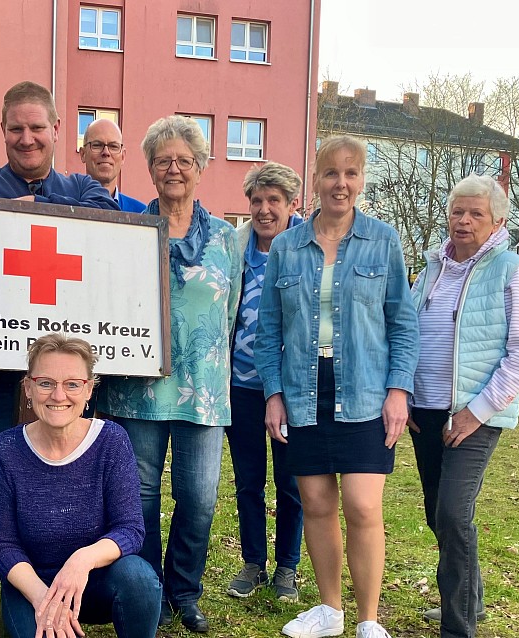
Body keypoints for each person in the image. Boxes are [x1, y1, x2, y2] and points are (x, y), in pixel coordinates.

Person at [253, 135, 419, 638]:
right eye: (330, 173)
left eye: (350, 173)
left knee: (364, 506)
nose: (340, 183)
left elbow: (403, 324)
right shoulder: (285, 246)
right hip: (303, 391)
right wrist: (274, 394)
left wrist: (399, 391)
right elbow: (268, 333)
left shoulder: (383, 240)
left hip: (367, 389)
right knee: (318, 504)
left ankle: (368, 619)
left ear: (362, 179)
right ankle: (330, 611)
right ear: (316, 178)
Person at [100, 115, 242, 633]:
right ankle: (150, 589)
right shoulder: (131, 229)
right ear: (150, 169)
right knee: (139, 496)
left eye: (185, 160)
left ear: (201, 168)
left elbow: (227, 315)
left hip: (203, 392)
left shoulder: (229, 239)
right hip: (137, 390)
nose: (174, 169)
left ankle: (185, 588)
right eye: (163, 161)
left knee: (200, 496)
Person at [408, 174, 519, 638]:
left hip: (473, 415)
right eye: (457, 212)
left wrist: (478, 411)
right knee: (436, 512)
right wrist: (403, 391)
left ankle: (458, 625)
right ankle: (473, 597)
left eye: (475, 214)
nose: (463, 221)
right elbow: (409, 332)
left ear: (498, 221)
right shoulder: (433, 267)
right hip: (424, 411)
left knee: (452, 514)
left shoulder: (512, 269)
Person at [0, 81, 119, 438]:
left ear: (56, 129)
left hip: (68, 369)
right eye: (16, 129)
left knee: (70, 464)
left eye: (37, 127)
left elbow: (106, 221)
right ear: (3, 131)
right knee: (10, 464)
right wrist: (48, 213)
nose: (27, 139)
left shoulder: (85, 188)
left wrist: (23, 212)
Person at [0, 333, 161, 638]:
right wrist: (45, 600)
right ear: (28, 387)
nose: (58, 395)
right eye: (45, 383)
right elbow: (3, 545)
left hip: (96, 580)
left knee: (139, 579)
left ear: (89, 389)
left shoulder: (111, 441)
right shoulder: (5, 450)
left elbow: (130, 529)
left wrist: (81, 561)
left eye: (72, 384)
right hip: (33, 586)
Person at [226, 162, 305, 602]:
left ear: (292, 204)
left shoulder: (304, 250)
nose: (264, 209)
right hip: (241, 386)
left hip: (291, 388)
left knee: (291, 483)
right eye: (256, 200)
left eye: (274, 200)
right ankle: (254, 562)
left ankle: (287, 568)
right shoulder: (236, 248)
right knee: (248, 480)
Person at [79, 118, 146, 212]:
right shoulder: (62, 208)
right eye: (97, 145)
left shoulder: (142, 214)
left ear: (123, 157)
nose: (106, 152)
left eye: (113, 146)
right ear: (83, 154)